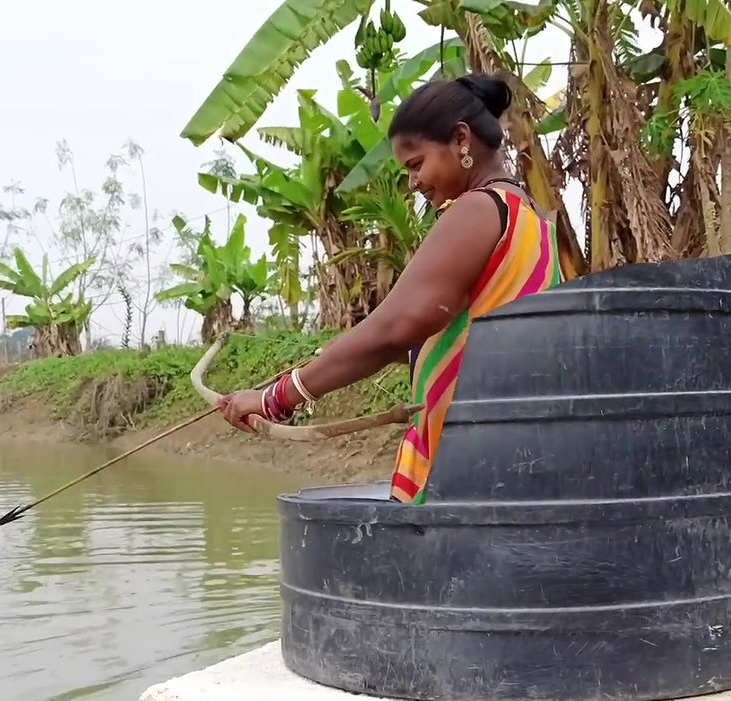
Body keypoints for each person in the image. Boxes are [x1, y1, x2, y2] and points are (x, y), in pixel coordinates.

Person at [216, 72, 565, 503]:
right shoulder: (528, 215)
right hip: (503, 457)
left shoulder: (477, 209)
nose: (414, 182)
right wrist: (340, 357)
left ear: (461, 139)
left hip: (463, 468)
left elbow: (396, 327)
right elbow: (450, 335)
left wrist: (276, 397)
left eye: (417, 164)